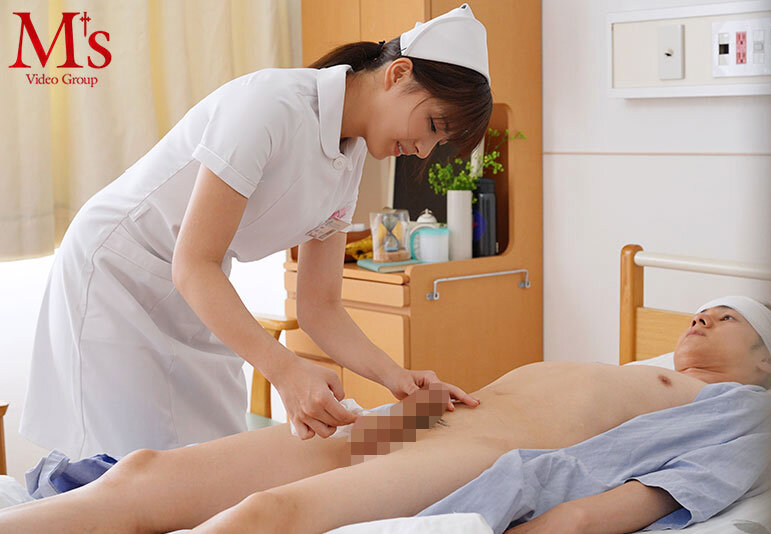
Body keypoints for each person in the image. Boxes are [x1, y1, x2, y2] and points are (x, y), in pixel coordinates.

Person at [19, 4, 491, 459]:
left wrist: (396, 377)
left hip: (196, 292)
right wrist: (285, 370)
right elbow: (193, 263)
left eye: (439, 142)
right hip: (117, 275)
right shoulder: (270, 106)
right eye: (432, 125)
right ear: (398, 73)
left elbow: (320, 306)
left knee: (211, 464)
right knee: (122, 467)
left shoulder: (350, 158)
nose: (424, 149)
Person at [0, 296, 771, 533]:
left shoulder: (758, 415)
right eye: (703, 310)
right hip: (423, 417)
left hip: (482, 449)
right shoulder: (635, 370)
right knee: (142, 474)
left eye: (729, 319)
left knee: (269, 515)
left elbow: (658, 492)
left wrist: (565, 524)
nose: (702, 319)